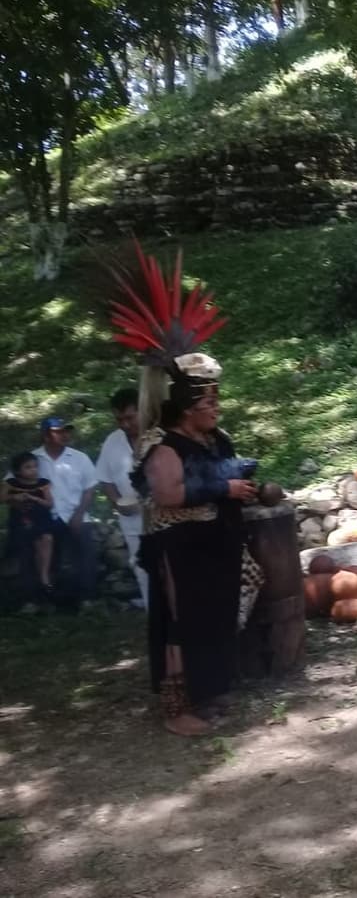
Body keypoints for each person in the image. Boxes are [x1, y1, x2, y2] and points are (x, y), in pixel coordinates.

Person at [109, 241, 261, 735]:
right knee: (182, 626)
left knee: (213, 621)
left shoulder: (215, 436)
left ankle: (207, 694)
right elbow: (171, 494)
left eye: (217, 396)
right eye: (208, 397)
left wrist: (251, 486)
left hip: (213, 544)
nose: (216, 404)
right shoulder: (160, 443)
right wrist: (224, 488)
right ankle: (177, 712)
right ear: (184, 401)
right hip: (180, 548)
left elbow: (224, 471)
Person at [32, 417, 99, 610]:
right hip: (47, 516)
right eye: (58, 431)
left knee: (86, 549)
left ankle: (87, 598)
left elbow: (89, 489)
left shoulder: (80, 458)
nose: (64, 435)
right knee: (43, 552)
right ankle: (46, 599)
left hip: (76, 513)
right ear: (46, 436)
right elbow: (11, 483)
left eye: (66, 431)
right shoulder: (33, 459)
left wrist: (79, 515)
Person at [96, 388, 150, 609]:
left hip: (164, 512)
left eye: (130, 418)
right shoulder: (113, 441)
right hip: (131, 518)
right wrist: (117, 501)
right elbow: (104, 478)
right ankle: (151, 610)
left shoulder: (160, 436)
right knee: (140, 564)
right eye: (119, 419)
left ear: (142, 411)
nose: (125, 424)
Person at [3, 451, 56, 598]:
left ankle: (44, 577)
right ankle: (35, 587)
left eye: (35, 466)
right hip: (21, 519)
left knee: (46, 539)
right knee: (30, 546)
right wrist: (15, 496)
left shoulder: (42, 483)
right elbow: (2, 497)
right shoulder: (11, 483)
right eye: (28, 467)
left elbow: (49, 504)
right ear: (18, 470)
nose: (33, 470)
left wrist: (34, 498)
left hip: (41, 518)